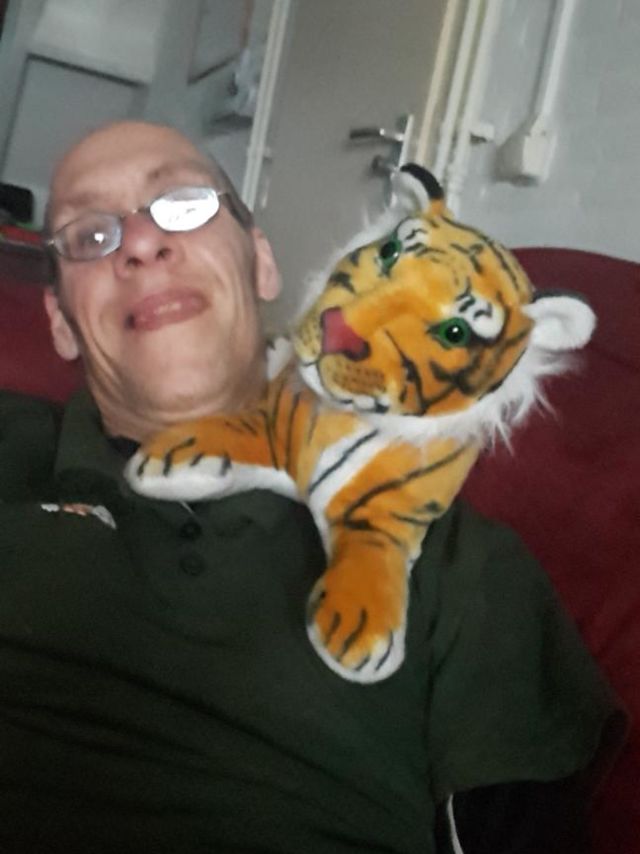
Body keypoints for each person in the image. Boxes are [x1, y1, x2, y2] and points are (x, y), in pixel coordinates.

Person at [0, 120, 625, 854]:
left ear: (262, 262)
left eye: (182, 204)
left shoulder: (461, 563)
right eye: (91, 235)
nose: (140, 243)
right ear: (60, 323)